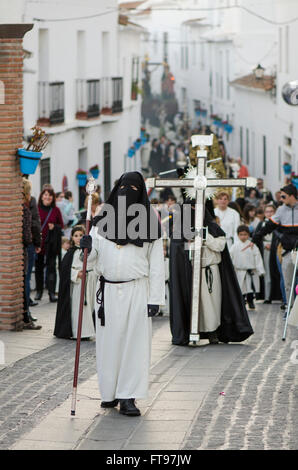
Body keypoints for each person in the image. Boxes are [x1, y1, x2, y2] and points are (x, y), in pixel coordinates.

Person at [80, 171, 165, 417]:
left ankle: (128, 396)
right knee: (108, 345)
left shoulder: (150, 222)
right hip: (106, 290)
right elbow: (92, 258)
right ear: (117, 189)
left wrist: (155, 299)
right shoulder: (102, 218)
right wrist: (86, 247)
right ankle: (109, 393)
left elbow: (157, 265)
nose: (128, 192)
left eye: (134, 188)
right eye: (124, 187)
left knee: (134, 346)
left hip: (136, 290)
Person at [169, 199, 254, 345]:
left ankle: (213, 332)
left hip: (210, 271)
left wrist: (204, 236)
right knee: (196, 305)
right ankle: (193, 331)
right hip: (190, 273)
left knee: (212, 305)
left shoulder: (213, 227)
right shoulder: (180, 229)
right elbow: (178, 251)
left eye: (197, 208)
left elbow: (220, 245)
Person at [252, 184, 298, 309]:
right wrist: (256, 237)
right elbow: (269, 226)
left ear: (292, 196)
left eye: (283, 196)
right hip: (286, 250)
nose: (281, 199)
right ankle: (290, 308)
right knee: (288, 282)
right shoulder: (281, 210)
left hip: (297, 248)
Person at [54, 226, 96, 340]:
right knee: (79, 308)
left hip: (89, 281)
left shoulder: (90, 250)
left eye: (81, 235)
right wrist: (76, 274)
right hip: (77, 284)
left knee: (89, 307)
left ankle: (87, 331)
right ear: (72, 237)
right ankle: (79, 332)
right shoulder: (71, 252)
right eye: (76, 236)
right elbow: (65, 269)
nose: (78, 238)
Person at [35, 188, 64, 302]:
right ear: (42, 196)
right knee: (38, 269)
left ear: (53, 198)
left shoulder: (55, 210)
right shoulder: (36, 209)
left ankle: (52, 293)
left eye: (50, 195)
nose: (48, 197)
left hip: (52, 245)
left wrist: (54, 227)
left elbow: (61, 225)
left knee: (51, 268)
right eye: (45, 195)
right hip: (39, 244)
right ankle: (39, 291)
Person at [22, 180, 42, 330]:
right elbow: (34, 225)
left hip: (24, 245)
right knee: (26, 279)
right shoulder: (27, 205)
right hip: (27, 245)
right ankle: (26, 312)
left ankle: (26, 311)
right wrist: (36, 243)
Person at [230, 225, 265, 309]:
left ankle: (250, 301)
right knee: (241, 287)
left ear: (248, 235)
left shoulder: (252, 245)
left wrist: (260, 270)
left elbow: (257, 257)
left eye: (245, 234)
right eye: (241, 234)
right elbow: (231, 257)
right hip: (239, 271)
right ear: (238, 235)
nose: (243, 236)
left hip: (251, 271)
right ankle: (241, 302)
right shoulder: (235, 246)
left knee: (250, 288)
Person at [254, 204, 282, 304]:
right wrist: (264, 244)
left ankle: (279, 295)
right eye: (267, 212)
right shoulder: (261, 224)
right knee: (266, 274)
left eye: (271, 211)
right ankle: (267, 296)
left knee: (277, 272)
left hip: (276, 250)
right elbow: (257, 236)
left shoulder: (278, 224)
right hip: (265, 250)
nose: (269, 214)